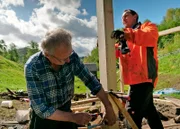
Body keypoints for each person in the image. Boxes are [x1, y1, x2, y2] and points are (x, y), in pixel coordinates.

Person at [24, 28, 116, 129]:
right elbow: (41, 109)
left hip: (66, 108)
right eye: (63, 59)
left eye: (70, 54)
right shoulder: (33, 67)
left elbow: (91, 81)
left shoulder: (71, 57)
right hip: (44, 119)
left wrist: (108, 106)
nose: (69, 60)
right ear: (47, 55)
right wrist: (73, 117)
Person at [114, 9, 164, 129]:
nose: (123, 19)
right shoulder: (125, 39)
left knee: (131, 115)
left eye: (126, 15)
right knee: (149, 111)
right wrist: (105, 45)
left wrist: (127, 35)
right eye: (122, 17)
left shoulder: (147, 28)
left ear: (135, 16)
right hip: (135, 81)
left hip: (145, 78)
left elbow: (148, 37)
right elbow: (116, 53)